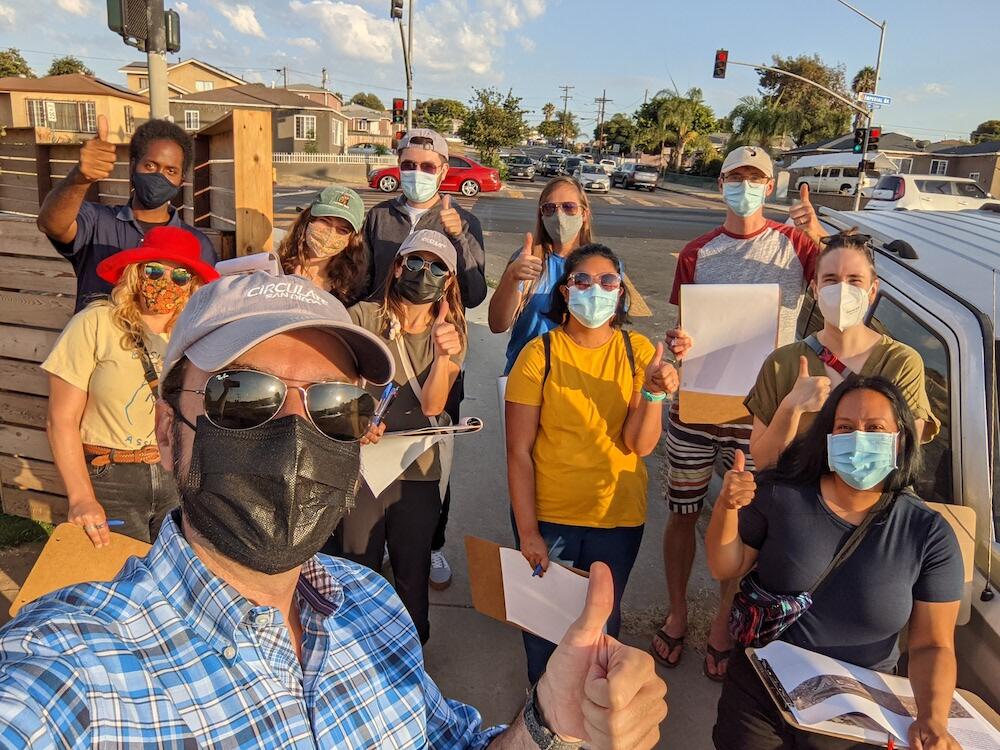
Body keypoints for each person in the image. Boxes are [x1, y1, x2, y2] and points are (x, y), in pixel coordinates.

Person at [0, 269, 668, 749]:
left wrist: (550, 723)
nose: (296, 433)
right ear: (165, 426)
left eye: (332, 405)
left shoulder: (371, 608)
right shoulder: (69, 675)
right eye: (241, 393)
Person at [705, 377, 963, 750]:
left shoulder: (928, 534)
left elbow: (932, 646)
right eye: (845, 428)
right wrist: (726, 509)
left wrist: (932, 719)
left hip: (857, 713)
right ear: (828, 437)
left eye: (875, 428)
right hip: (763, 692)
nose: (859, 439)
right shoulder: (781, 494)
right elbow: (724, 566)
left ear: (901, 439)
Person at [653, 146, 826, 680]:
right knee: (681, 514)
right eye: (735, 177)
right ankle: (679, 611)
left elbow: (849, 286)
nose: (744, 186)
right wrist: (677, 343)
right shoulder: (696, 252)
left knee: (744, 525)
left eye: (755, 178)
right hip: (698, 404)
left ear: (770, 186)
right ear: (721, 183)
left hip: (763, 415)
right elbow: (686, 327)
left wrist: (820, 236)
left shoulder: (798, 245)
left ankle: (725, 618)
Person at [506, 243, 679, 684]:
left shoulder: (637, 351)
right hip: (551, 517)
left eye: (608, 281)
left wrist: (655, 394)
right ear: (565, 291)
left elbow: (638, 445)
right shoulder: (538, 354)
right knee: (545, 627)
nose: (595, 290)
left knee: (602, 624)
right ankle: (541, 710)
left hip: (617, 518)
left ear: (621, 293)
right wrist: (528, 532)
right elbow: (518, 452)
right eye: (582, 280)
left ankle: (589, 707)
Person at [362, 127, 487, 589]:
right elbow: (363, 283)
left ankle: (428, 543)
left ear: (444, 171)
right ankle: (376, 536)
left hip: (439, 352)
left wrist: (463, 240)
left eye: (427, 166)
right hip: (386, 347)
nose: (416, 173)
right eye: (408, 164)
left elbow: (473, 294)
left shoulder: (462, 222)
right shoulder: (379, 218)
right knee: (373, 446)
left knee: (433, 456)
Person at [41, 226, 218, 546]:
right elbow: (60, 420)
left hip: (175, 473)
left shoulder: (195, 337)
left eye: (179, 276)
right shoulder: (94, 323)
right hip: (111, 478)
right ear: (136, 273)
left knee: (175, 580)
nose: (165, 282)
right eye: (154, 270)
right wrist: (81, 497)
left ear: (191, 285)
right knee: (114, 581)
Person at [334, 229, 466, 644]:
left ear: (448, 281)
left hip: (417, 467)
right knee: (357, 566)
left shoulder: (451, 333)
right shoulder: (361, 318)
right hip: (362, 465)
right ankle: (353, 653)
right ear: (396, 266)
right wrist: (356, 419)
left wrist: (446, 357)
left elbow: (432, 406)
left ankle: (410, 656)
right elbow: (339, 379)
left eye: (437, 266)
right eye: (415, 262)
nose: (423, 272)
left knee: (412, 572)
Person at [746, 229, 939, 470]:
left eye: (854, 280)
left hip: (869, 505)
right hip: (796, 503)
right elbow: (764, 461)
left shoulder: (901, 363)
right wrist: (791, 406)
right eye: (831, 280)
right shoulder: (782, 363)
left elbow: (902, 456)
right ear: (815, 289)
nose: (842, 290)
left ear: (872, 291)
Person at [36, 116, 218, 312]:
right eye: (150, 166)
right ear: (132, 166)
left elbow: (206, 306)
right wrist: (80, 178)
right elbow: (51, 224)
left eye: (170, 170)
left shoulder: (196, 244)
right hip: (98, 340)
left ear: (181, 180)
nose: (159, 176)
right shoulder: (96, 222)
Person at [488, 176, 594, 374]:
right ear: (541, 215)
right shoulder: (527, 261)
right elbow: (497, 324)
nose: (559, 215)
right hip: (525, 379)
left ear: (584, 214)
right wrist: (512, 278)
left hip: (577, 382)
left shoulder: (601, 267)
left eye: (569, 207)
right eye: (550, 208)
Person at [276, 185, 368, 305]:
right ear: (308, 220)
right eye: (325, 221)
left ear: (350, 240)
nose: (331, 232)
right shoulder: (275, 268)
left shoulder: (352, 289)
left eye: (343, 230)